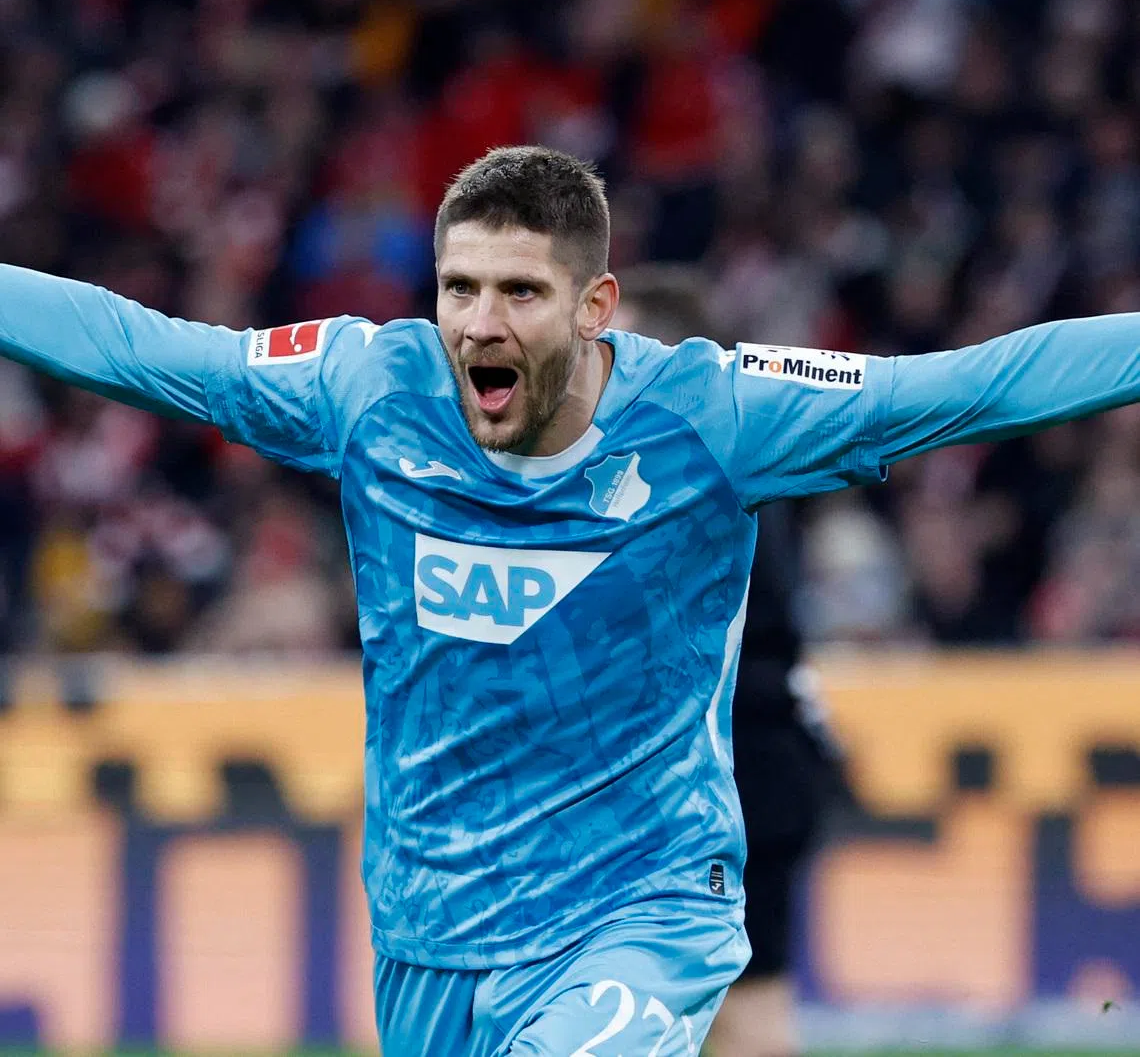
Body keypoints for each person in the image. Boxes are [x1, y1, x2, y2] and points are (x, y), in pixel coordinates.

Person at [2, 145, 1140, 1055]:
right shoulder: (369, 388)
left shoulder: (715, 414)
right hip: (431, 934)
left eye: (518, 292)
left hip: (639, 912)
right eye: (459, 287)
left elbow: (979, 382)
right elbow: (142, 349)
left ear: (598, 304)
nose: (479, 324)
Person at [615, 266, 851, 1057]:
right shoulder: (732, 454)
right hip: (760, 754)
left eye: (628, 346)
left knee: (735, 1013)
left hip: (734, 765)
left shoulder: (684, 468)